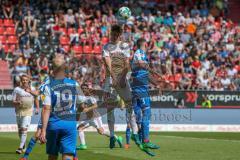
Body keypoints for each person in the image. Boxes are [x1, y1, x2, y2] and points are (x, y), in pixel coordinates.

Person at [39, 54, 81, 160]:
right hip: (70, 124)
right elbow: (82, 104)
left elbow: (46, 109)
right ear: (65, 68)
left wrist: (42, 129)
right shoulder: (74, 84)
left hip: (54, 124)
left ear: (52, 68)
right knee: (68, 155)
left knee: (53, 155)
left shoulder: (48, 85)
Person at [102, 24, 132, 149]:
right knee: (110, 108)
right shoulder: (107, 47)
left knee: (130, 104)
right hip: (110, 80)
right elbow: (107, 64)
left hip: (122, 79)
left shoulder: (125, 46)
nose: (113, 37)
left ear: (119, 35)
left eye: (115, 35)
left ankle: (129, 130)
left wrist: (122, 78)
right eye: (112, 34)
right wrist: (114, 78)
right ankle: (112, 135)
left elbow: (127, 64)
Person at [131, 38, 161, 156]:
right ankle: (145, 140)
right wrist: (154, 71)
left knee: (140, 114)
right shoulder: (139, 53)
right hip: (140, 89)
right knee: (146, 114)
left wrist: (156, 84)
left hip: (141, 89)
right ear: (145, 44)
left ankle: (140, 137)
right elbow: (141, 65)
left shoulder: (142, 55)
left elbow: (146, 74)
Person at [76, 83, 122, 150]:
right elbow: (81, 107)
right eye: (82, 88)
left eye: (85, 88)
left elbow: (96, 105)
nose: (84, 90)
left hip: (95, 117)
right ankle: (83, 145)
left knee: (101, 132)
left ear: (87, 89)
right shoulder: (81, 97)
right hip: (88, 118)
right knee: (79, 128)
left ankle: (117, 138)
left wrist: (88, 109)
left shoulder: (90, 96)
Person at [13, 74, 39, 154]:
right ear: (21, 81)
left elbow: (36, 97)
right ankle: (23, 145)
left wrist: (37, 108)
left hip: (28, 111)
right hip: (19, 111)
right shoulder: (17, 89)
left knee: (24, 129)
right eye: (23, 80)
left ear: (28, 81)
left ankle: (20, 148)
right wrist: (17, 102)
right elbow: (13, 102)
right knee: (20, 131)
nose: (24, 81)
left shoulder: (33, 89)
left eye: (26, 80)